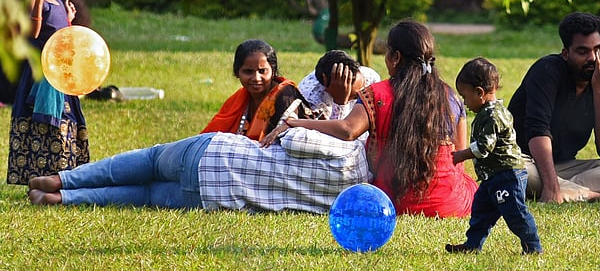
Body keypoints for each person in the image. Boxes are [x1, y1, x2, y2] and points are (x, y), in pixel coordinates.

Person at [263, 19, 477, 218]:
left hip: (391, 202)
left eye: (386, 52)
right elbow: (458, 152)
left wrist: (295, 121)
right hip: (451, 204)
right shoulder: (451, 96)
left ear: (396, 57)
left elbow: (348, 129)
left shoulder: (379, 93)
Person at [26, 127, 368, 213]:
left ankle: (61, 179)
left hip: (219, 154)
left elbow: (292, 140)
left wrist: (300, 122)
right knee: (145, 196)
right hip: (218, 195)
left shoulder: (348, 148)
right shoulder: (354, 197)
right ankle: (63, 199)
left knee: (150, 160)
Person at [507, 12, 600, 203]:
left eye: (598, 49)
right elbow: (537, 130)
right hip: (524, 160)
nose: (593, 58)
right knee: (512, 170)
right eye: (582, 51)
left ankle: (561, 189)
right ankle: (596, 196)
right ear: (566, 53)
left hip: (563, 167)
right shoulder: (547, 71)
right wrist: (551, 185)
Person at [446, 58, 542, 255]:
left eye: (465, 96)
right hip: (492, 177)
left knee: (515, 213)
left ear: (480, 93)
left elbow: (484, 147)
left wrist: (461, 155)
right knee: (481, 212)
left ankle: (533, 247)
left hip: (507, 176)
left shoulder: (493, 115)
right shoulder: (487, 112)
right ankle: (472, 245)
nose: (464, 102)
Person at [7, 0, 89, 185]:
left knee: (67, 120)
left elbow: (63, 36)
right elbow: (32, 34)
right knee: (42, 124)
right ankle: (38, 177)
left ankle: (63, 174)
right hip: (41, 75)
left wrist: (70, 20)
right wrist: (40, 3)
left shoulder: (62, 3)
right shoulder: (34, 0)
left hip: (62, 75)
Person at [201, 40, 304, 141]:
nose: (256, 78)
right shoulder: (238, 100)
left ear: (273, 71)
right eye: (248, 72)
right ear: (237, 73)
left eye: (262, 71)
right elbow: (209, 137)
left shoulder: (285, 95)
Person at [297, 49, 381, 121]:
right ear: (327, 87)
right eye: (355, 96)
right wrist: (340, 103)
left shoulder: (370, 78)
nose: (362, 95)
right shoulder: (310, 98)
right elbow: (338, 135)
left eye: (363, 85)